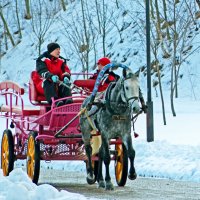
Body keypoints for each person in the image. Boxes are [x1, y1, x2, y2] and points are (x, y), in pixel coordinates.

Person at [33, 42, 72, 107]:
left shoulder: (61, 60)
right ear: (51, 50)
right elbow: (42, 71)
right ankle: (54, 102)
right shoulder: (42, 60)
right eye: (57, 49)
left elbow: (65, 70)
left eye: (59, 49)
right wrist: (51, 77)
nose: (59, 51)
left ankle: (68, 100)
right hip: (43, 83)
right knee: (47, 82)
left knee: (64, 84)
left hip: (57, 83)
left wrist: (66, 76)